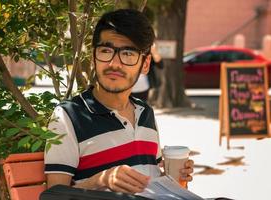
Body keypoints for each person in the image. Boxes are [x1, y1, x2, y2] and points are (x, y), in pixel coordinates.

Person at [44, 9, 193, 194]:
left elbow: (150, 179)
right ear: (93, 58)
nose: (114, 63)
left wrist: (177, 180)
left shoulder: (145, 112)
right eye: (106, 51)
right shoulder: (69, 116)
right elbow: (55, 196)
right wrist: (101, 180)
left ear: (145, 64)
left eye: (128, 54)